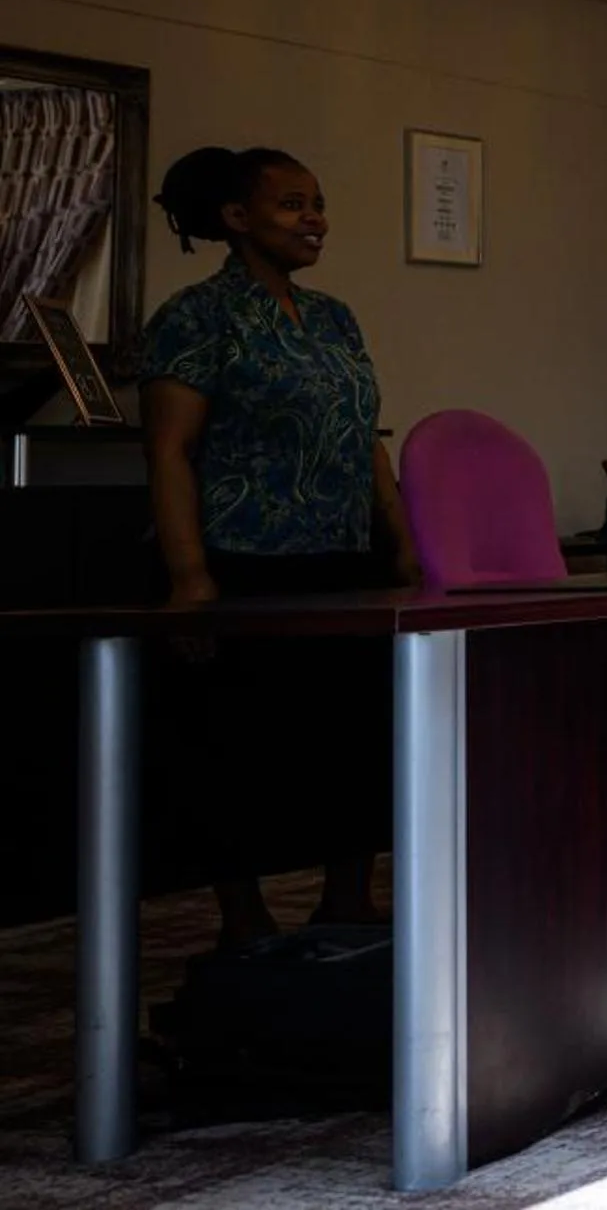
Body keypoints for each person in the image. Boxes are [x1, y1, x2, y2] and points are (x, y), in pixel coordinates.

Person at [142, 146, 420, 948]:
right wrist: (190, 577)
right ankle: (243, 919)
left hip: (343, 557)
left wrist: (399, 542)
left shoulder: (334, 317)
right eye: (294, 204)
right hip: (243, 561)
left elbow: (367, 439)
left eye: (320, 202)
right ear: (237, 218)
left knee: (351, 737)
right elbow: (168, 451)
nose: (316, 219)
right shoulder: (196, 316)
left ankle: (346, 900)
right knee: (239, 746)